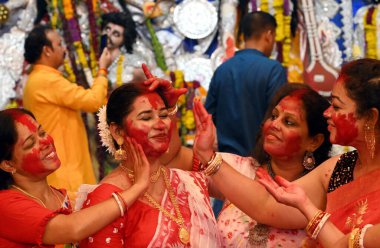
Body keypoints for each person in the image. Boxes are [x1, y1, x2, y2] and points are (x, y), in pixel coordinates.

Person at [193, 58, 380, 244]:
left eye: (337, 106)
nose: (327, 113)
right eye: (273, 116)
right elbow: (267, 206)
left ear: (370, 117)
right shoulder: (339, 168)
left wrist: (308, 210)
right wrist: (208, 157)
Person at [79, 69, 221, 247]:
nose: (161, 124)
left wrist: (207, 153)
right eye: (146, 117)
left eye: (163, 115)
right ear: (118, 132)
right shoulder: (105, 199)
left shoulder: (187, 180)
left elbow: (248, 190)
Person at [199, 83, 332, 247]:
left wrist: (209, 158)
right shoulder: (239, 168)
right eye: (274, 116)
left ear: (314, 141)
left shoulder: (322, 189)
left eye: (289, 122)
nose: (274, 124)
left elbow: (267, 207)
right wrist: (165, 111)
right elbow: (172, 160)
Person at [0, 108, 149, 247]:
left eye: (42, 133)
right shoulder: (4, 205)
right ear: (8, 164)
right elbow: (73, 228)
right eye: (30, 143)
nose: (45, 142)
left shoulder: (60, 195)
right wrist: (138, 187)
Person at [22, 25, 112, 195]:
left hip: (61, 169)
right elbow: (93, 101)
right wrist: (102, 70)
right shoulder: (47, 80)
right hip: (67, 174)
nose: (64, 49)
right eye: (59, 44)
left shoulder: (37, 79)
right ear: (47, 50)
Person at [205, 11, 287, 157]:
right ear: (268, 35)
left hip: (226, 161)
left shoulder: (222, 70)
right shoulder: (274, 70)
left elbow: (207, 116)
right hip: (261, 159)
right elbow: (279, 117)